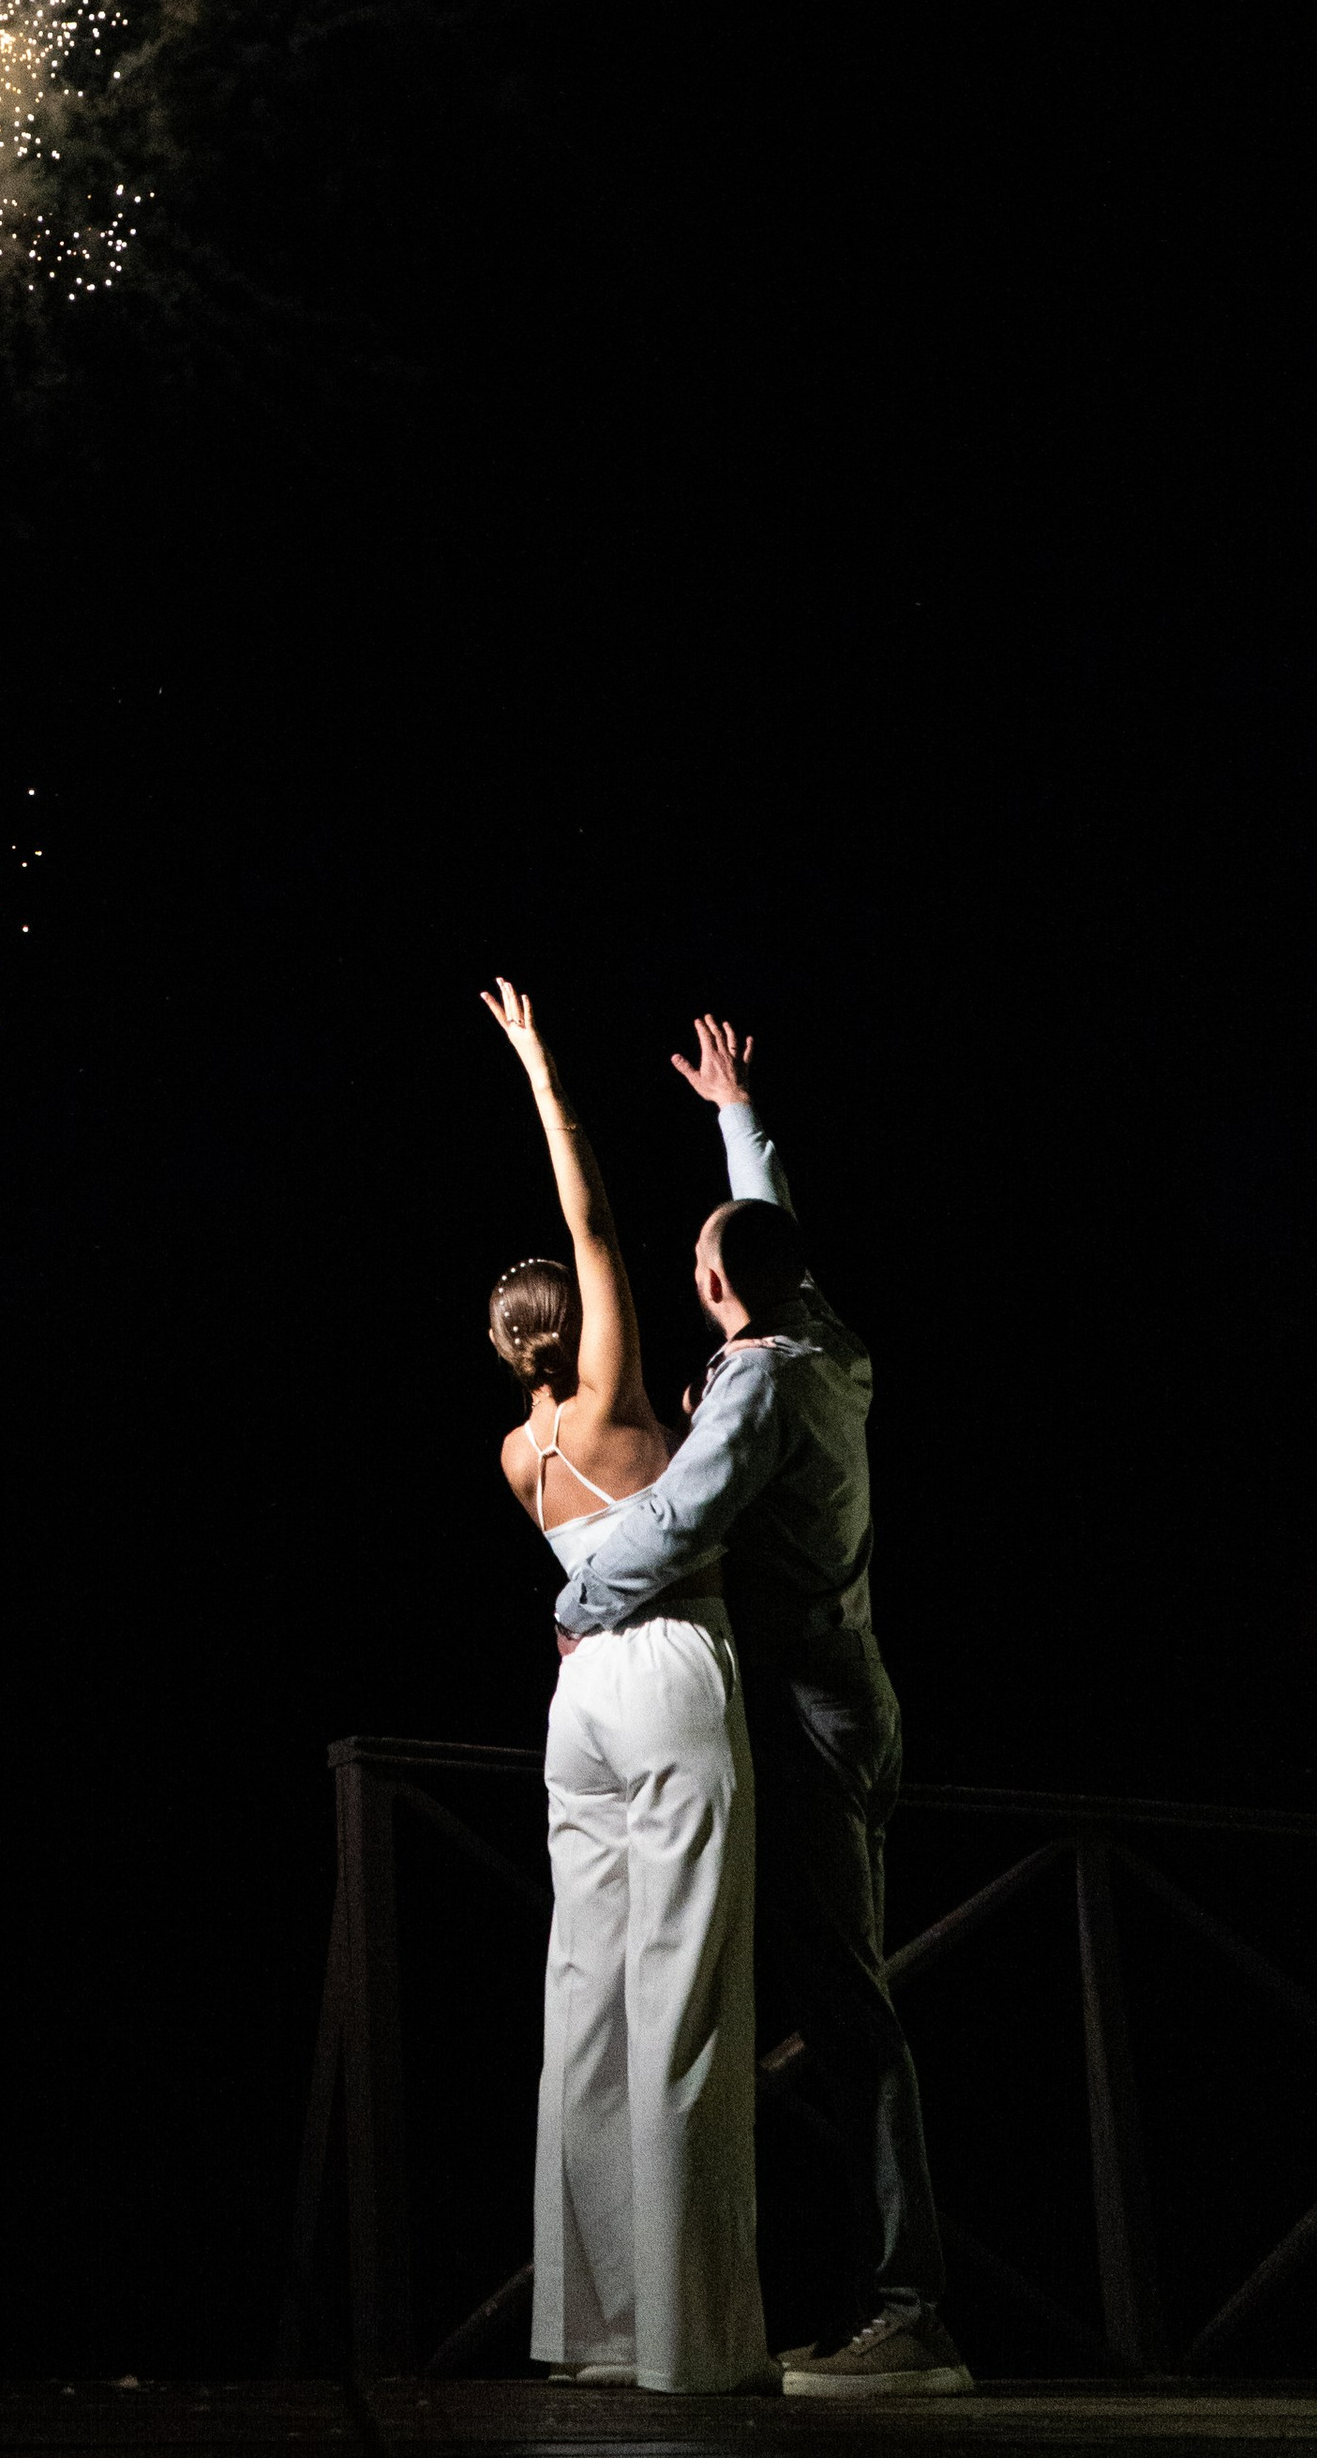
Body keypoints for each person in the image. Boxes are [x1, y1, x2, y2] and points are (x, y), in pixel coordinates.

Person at [548, 1014, 971, 2398]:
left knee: (847, 2012)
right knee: (841, 2004)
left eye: (698, 1267)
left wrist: (574, 1595)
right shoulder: (826, 1340)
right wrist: (739, 1116)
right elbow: (772, 1243)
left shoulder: (765, 1382)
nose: (692, 1277)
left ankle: (911, 2312)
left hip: (799, 1715)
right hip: (862, 1704)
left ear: (721, 1285)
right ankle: (866, 2294)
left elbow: (674, 1520)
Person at [480, 977, 770, 2398]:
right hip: (662, 1673)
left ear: (497, 1348)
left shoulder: (519, 1457)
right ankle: (689, 2346)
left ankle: (587, 2328)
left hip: (574, 1703)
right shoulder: (612, 1398)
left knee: (582, 1995)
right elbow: (590, 1220)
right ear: (574, 1331)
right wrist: (546, 1070)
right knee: (685, 1990)